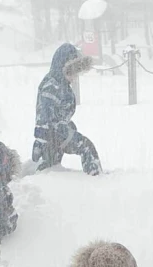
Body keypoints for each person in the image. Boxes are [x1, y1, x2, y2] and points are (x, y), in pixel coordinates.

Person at [32, 43, 101, 176]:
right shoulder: (52, 86)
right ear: (63, 68)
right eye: (72, 72)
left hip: (58, 132)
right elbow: (45, 115)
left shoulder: (61, 83)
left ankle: (45, 177)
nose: (74, 76)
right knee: (86, 147)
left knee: (51, 164)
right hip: (54, 133)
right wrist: (42, 138)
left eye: (76, 72)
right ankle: (96, 178)